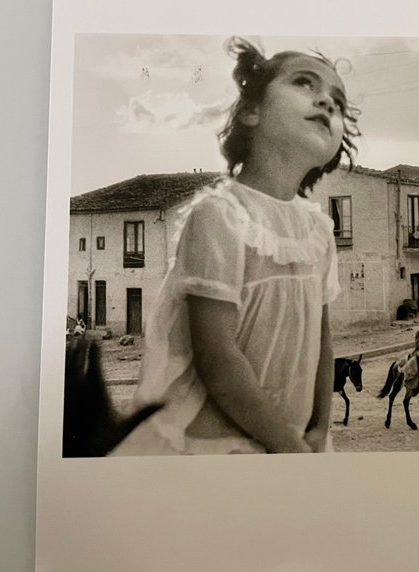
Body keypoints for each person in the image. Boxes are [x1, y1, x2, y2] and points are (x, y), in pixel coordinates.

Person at [111, 37, 361, 455]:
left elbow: (323, 341)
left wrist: (320, 429)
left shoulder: (318, 230)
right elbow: (218, 358)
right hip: (219, 448)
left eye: (337, 100)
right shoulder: (221, 215)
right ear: (250, 110)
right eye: (305, 83)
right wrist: (287, 446)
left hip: (295, 445)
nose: (327, 103)